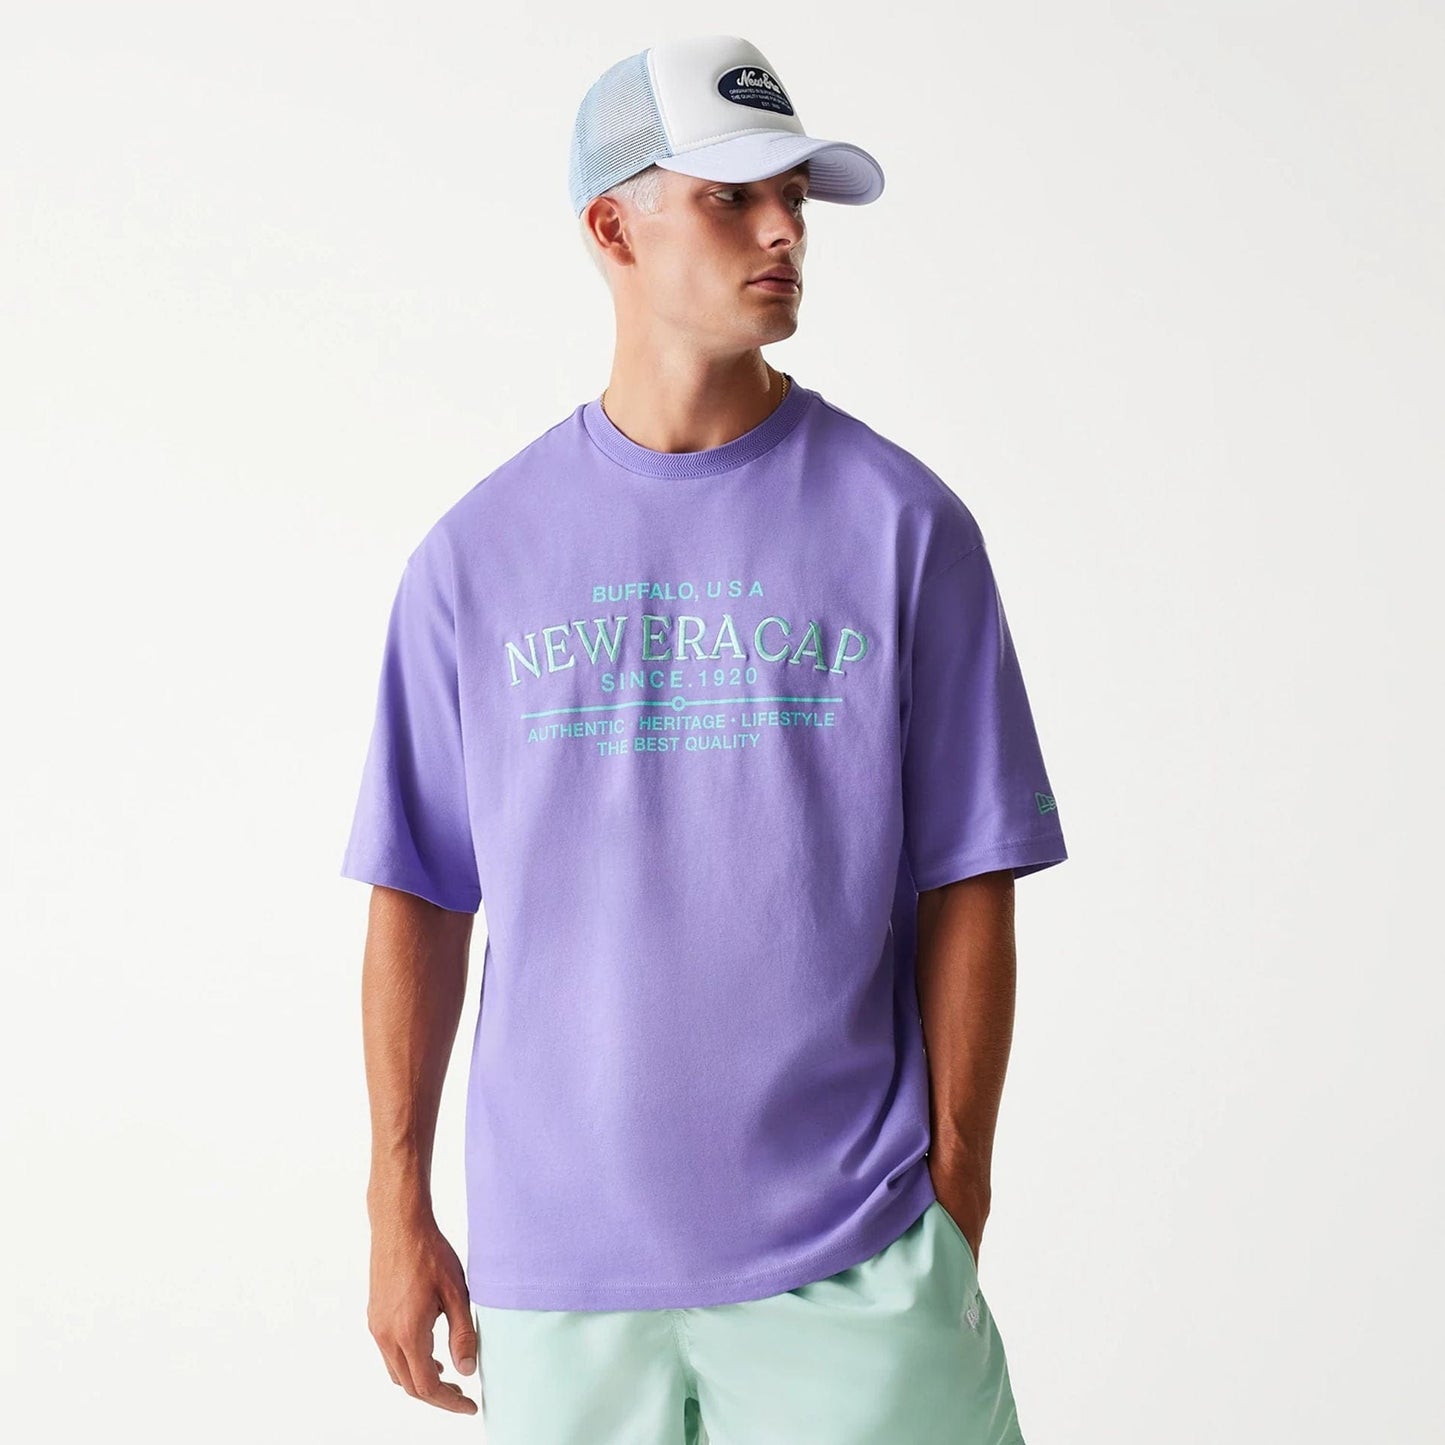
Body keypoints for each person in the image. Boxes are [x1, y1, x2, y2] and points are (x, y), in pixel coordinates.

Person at [341, 32, 1069, 1445]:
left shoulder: (905, 528)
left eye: (793, 196)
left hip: (855, 1256)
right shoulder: (475, 559)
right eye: (731, 198)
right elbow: (419, 889)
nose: (784, 229)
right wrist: (394, 1205)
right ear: (613, 227)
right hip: (556, 1277)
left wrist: (954, 1194)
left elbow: (970, 874)